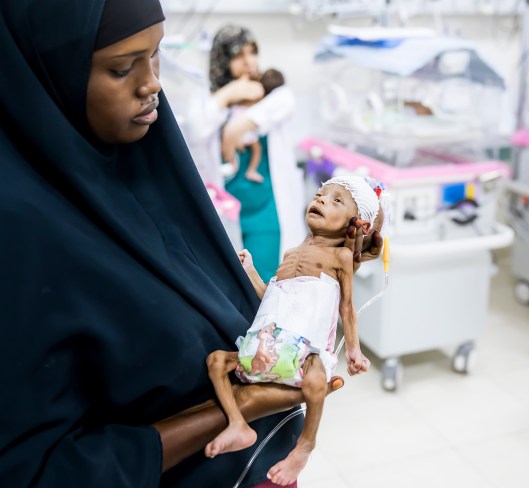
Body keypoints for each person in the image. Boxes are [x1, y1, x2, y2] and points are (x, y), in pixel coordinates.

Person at [0, 1, 381, 486]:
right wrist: (234, 409)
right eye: (121, 67)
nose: (152, 82)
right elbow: (38, 470)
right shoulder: (22, 234)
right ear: (47, 76)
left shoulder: (153, 172)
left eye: (155, 54)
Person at [205, 176, 383, 485]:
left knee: (317, 377)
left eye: (336, 200)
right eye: (319, 194)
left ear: (355, 225)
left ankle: (305, 445)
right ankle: (237, 424)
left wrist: (353, 350)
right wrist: (250, 272)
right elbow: (272, 299)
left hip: (302, 349)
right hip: (268, 341)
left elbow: (347, 307)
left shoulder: (339, 257)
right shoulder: (290, 255)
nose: (322, 200)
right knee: (217, 362)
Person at [209, 25, 306, 283]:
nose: (249, 61)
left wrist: (233, 130)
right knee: (229, 287)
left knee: (264, 288)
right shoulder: (212, 103)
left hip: (266, 212)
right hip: (227, 212)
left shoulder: (275, 94)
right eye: (239, 55)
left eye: (253, 52)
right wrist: (228, 95)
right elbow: (198, 128)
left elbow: (284, 103)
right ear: (223, 60)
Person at [226, 68, 287, 183]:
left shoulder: (238, 104)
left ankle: (232, 163)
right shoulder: (260, 101)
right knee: (257, 148)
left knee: (237, 150)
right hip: (243, 133)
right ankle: (251, 170)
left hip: (237, 132)